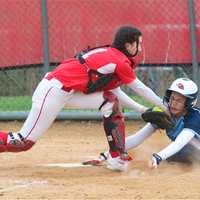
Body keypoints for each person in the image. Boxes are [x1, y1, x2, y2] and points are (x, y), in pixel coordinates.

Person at [0, 25, 167, 171]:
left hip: (67, 92)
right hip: (53, 91)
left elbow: (114, 91)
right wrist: (165, 106)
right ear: (129, 45)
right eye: (139, 43)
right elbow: (140, 88)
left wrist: (142, 110)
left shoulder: (112, 55)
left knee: (109, 102)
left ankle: (116, 158)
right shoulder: (119, 61)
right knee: (22, 142)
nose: (140, 48)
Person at [85, 78, 200, 168]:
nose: (173, 103)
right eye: (172, 98)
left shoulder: (194, 117)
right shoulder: (165, 113)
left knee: (185, 151)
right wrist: (108, 153)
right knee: (177, 156)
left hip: (192, 151)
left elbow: (180, 142)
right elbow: (138, 137)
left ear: (189, 103)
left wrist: (158, 157)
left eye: (179, 100)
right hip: (187, 152)